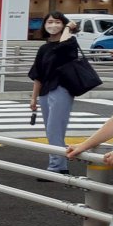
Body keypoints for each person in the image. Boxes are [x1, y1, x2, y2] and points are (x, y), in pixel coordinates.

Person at [29, 11, 81, 177]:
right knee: (51, 131)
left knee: (54, 129)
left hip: (62, 89)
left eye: (58, 22)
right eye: (49, 22)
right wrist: (33, 98)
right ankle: (61, 166)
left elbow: (62, 45)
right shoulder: (44, 48)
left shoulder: (70, 42)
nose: (53, 25)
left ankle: (55, 168)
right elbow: (37, 75)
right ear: (44, 25)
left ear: (64, 24)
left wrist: (68, 28)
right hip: (45, 91)